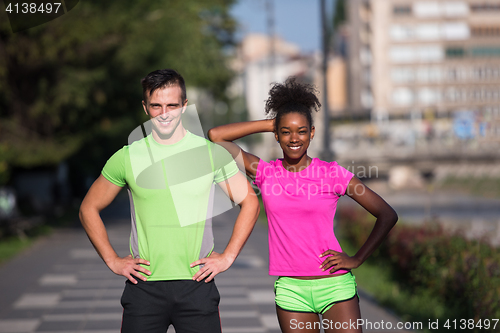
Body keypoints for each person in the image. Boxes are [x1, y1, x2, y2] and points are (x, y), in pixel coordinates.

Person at [208, 77, 398, 333]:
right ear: (276, 135)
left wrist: (357, 258)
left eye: (301, 130)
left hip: (335, 287)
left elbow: (386, 214)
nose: (294, 138)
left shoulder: (333, 174)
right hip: (291, 291)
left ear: (312, 133)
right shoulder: (265, 172)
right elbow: (216, 136)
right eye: (285, 132)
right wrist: (272, 123)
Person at [79, 69, 259, 333]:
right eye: (156, 106)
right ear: (145, 107)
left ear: (184, 106)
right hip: (144, 289)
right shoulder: (127, 157)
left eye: (172, 105)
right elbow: (88, 208)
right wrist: (113, 260)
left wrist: (228, 256)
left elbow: (250, 202)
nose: (165, 113)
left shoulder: (210, 153)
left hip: (197, 285)